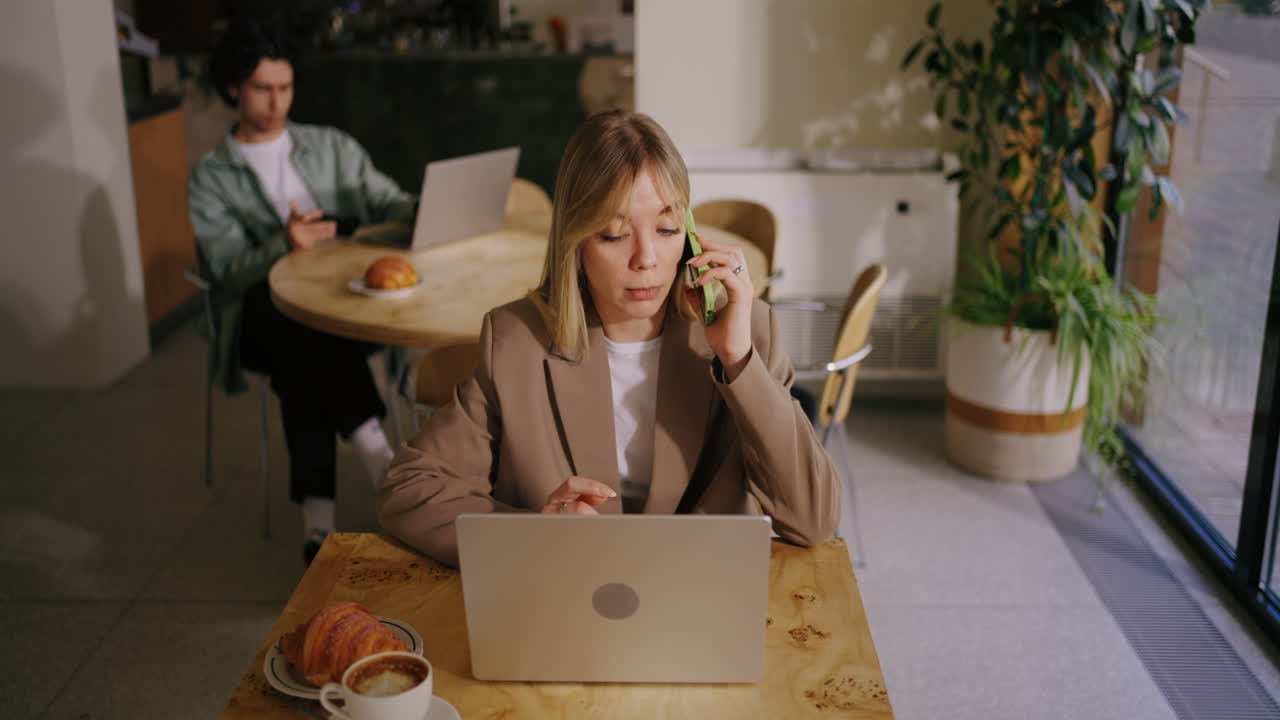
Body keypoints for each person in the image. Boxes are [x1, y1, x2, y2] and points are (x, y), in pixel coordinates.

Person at [377, 110, 841, 568]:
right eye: (613, 234)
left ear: (691, 235)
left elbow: (813, 520)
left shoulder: (749, 330)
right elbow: (411, 487)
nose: (646, 259)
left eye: (666, 229)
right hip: (567, 600)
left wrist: (738, 360)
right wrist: (533, 534)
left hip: (697, 594)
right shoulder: (517, 340)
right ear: (574, 244)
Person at [188, 20, 415, 564]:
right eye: (263, 89)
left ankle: (318, 528)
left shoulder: (330, 146)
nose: (276, 101)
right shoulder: (211, 177)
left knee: (306, 364)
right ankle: (376, 451)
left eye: (285, 87)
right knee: (297, 324)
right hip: (258, 320)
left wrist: (424, 210)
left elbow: (386, 199)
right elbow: (223, 270)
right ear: (232, 89)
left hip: (340, 308)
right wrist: (281, 245)